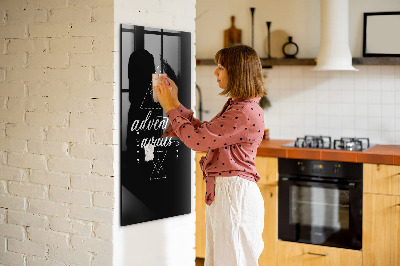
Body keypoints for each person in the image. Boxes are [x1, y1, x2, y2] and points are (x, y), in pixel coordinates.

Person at [154, 44, 266, 266]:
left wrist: (169, 108)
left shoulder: (243, 111)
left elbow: (197, 141)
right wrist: (175, 103)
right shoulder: (239, 106)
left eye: (221, 67)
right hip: (228, 194)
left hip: (234, 196)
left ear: (237, 71)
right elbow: (204, 133)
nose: (215, 72)